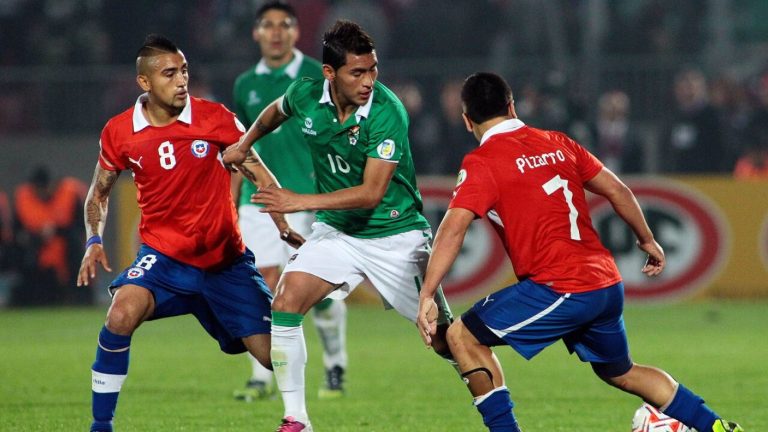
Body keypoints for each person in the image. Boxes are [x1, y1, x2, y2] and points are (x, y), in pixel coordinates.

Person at [416, 72, 744, 432]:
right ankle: (716, 427)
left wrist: (428, 293)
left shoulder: (483, 161)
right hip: (605, 283)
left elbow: (453, 228)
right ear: (512, 106)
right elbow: (618, 190)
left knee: (461, 336)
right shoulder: (558, 142)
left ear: (467, 120)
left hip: (561, 286)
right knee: (621, 372)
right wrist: (647, 239)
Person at [223, 20, 455, 432]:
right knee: (285, 301)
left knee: (446, 340)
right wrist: (245, 144)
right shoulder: (306, 93)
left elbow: (371, 193)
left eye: (373, 70)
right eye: (358, 72)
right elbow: (275, 112)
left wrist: (298, 200)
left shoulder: (386, 111)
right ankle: (296, 419)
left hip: (395, 234)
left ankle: (495, 400)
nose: (369, 81)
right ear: (329, 73)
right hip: (338, 232)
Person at [77, 34, 303, 432]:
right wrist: (93, 239)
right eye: (169, 73)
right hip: (165, 260)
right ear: (144, 82)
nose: (181, 80)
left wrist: (282, 224)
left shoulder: (214, 117)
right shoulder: (119, 131)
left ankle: (298, 418)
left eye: (184, 71)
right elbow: (98, 193)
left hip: (225, 263)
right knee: (121, 313)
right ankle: (101, 425)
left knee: (273, 357)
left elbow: (257, 170)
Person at [231, 1, 349, 401]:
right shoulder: (245, 83)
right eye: (268, 25)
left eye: (284, 25)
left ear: (297, 32)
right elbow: (240, 147)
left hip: (307, 199)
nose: (276, 32)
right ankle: (262, 374)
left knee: (319, 292)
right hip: (257, 201)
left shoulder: (317, 76)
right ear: (256, 33)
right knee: (261, 284)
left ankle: (335, 364)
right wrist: (231, 200)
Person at [12, 165, 87, 305]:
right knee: (20, 253)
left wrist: (56, 230)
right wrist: (34, 236)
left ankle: (77, 296)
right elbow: (16, 232)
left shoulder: (69, 193)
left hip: (65, 248)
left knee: (75, 248)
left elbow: (80, 228)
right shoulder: (24, 197)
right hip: (37, 249)